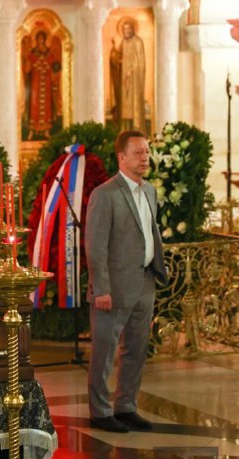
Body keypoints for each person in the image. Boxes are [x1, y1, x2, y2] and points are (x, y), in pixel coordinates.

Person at [84, 130, 168, 433]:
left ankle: (127, 406)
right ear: (121, 157)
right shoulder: (105, 194)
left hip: (144, 282)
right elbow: (95, 246)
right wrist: (101, 288)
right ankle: (100, 412)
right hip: (114, 287)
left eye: (146, 152)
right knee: (105, 351)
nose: (145, 158)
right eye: (138, 152)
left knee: (136, 348)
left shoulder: (150, 191)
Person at [21, 30, 62, 140]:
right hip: (36, 82)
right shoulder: (33, 53)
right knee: (35, 105)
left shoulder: (49, 52)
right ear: (36, 40)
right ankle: (32, 131)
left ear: (44, 39)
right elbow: (27, 69)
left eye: (42, 38)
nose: (40, 40)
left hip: (46, 81)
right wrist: (27, 61)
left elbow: (55, 66)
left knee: (46, 105)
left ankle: (46, 131)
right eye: (38, 38)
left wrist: (53, 69)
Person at [109, 19, 146, 133]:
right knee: (124, 106)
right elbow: (119, 57)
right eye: (124, 29)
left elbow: (141, 62)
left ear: (132, 29)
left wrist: (132, 70)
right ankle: (124, 129)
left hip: (134, 80)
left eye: (128, 29)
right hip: (124, 80)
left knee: (134, 104)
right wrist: (113, 52)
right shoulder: (123, 42)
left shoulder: (138, 42)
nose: (126, 31)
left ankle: (136, 128)